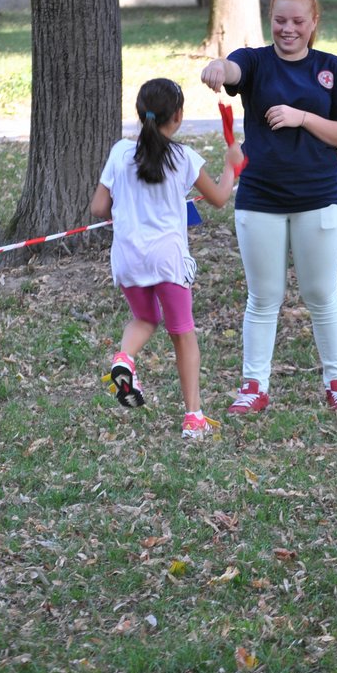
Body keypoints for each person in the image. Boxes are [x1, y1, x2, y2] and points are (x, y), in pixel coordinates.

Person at [200, 0, 337, 414]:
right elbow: (234, 70)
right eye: (279, 20)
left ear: (313, 23)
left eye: (297, 21)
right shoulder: (255, 62)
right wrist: (220, 66)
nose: (287, 29)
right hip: (259, 199)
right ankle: (254, 385)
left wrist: (303, 117)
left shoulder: (332, 67)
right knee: (263, 296)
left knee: (320, 294)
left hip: (320, 197)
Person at [91, 77, 244, 439]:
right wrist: (232, 164)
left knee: (144, 318)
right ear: (178, 116)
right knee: (183, 334)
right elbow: (220, 197)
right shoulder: (183, 158)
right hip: (168, 260)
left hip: (128, 257)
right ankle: (193, 417)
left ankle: (124, 359)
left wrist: (128, 210)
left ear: (139, 112)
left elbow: (99, 207)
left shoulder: (119, 152)